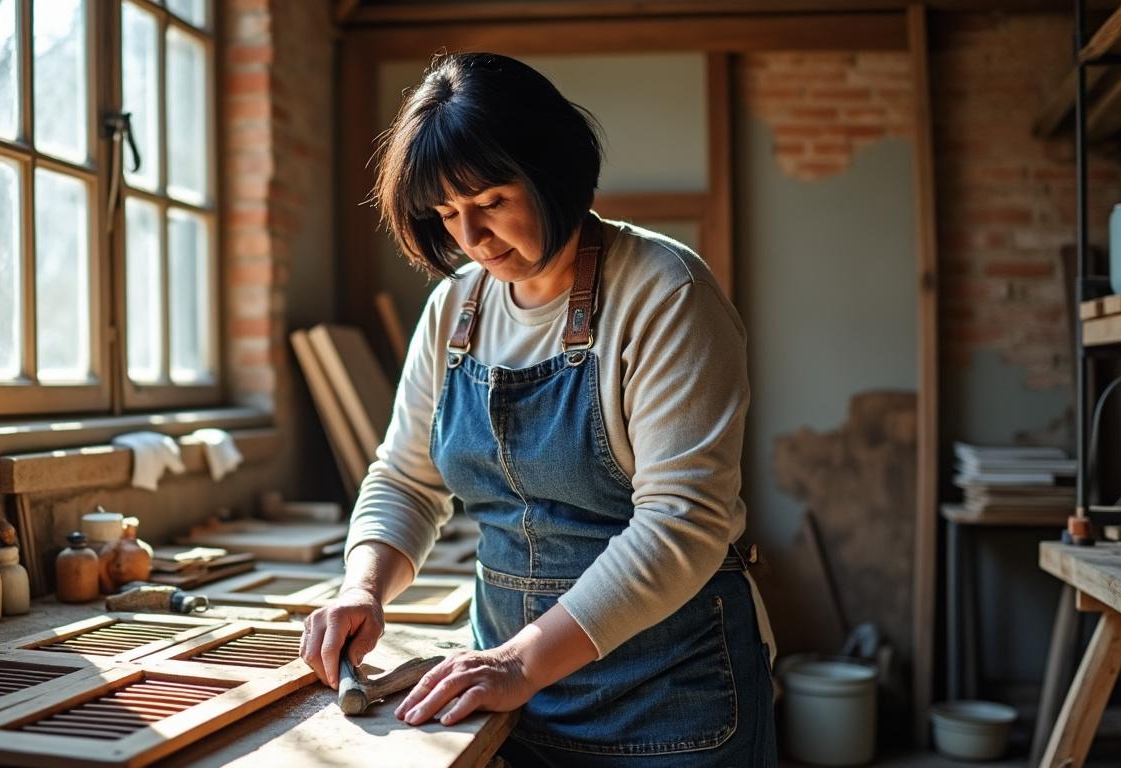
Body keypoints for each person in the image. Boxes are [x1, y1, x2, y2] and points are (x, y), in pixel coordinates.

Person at [299, 51, 777, 766]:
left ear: (553, 172)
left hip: (670, 699)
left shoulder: (666, 293)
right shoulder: (455, 308)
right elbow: (405, 478)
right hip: (509, 692)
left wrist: (522, 662)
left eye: (491, 202)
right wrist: (362, 588)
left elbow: (682, 522)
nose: (471, 239)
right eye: (448, 214)